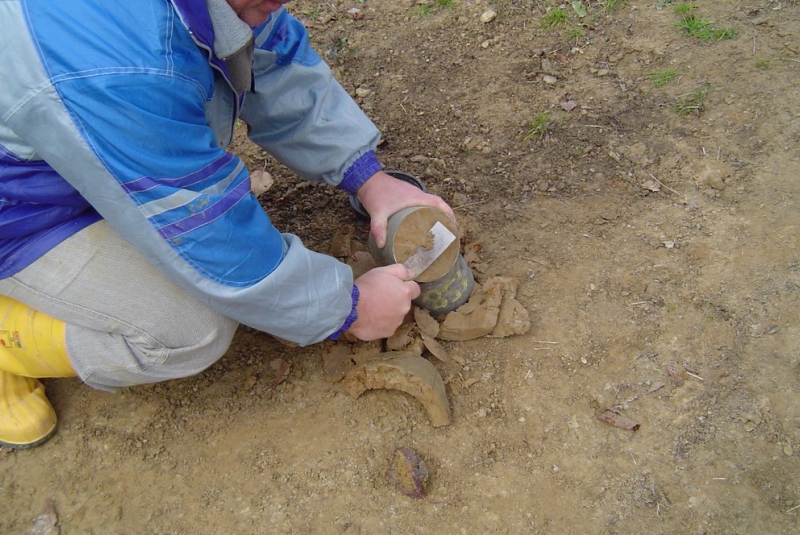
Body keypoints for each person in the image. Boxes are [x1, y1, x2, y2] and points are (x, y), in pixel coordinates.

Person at [0, 0, 455, 449]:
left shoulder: (228, 5)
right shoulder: (117, 64)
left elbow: (270, 58)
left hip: (80, 157)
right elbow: (203, 233)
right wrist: (347, 308)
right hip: (22, 212)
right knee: (190, 328)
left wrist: (367, 176)